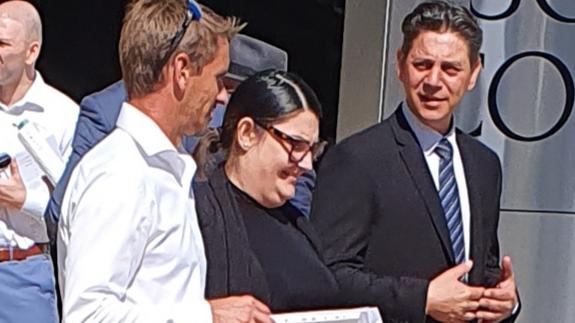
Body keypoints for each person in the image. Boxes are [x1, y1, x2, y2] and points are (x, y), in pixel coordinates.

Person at [57, 1, 271, 322]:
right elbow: (88, 315)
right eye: (219, 78)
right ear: (181, 71)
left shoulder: (164, 167)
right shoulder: (120, 175)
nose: (223, 95)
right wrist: (206, 316)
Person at [310, 1, 519, 322]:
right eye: (422, 65)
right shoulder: (357, 159)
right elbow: (327, 276)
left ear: (474, 73)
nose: (434, 81)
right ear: (400, 64)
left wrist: (505, 300)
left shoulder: (484, 165)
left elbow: (482, 265)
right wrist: (421, 299)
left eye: (450, 69)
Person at [195, 69, 339, 312]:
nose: (305, 164)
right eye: (295, 145)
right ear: (247, 133)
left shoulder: (296, 222)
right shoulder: (200, 216)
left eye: (311, 149)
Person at [0, 1, 78, 322]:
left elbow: (79, 206)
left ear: (31, 52)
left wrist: (24, 200)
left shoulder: (63, 116)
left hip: (24, 273)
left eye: (3, 44)